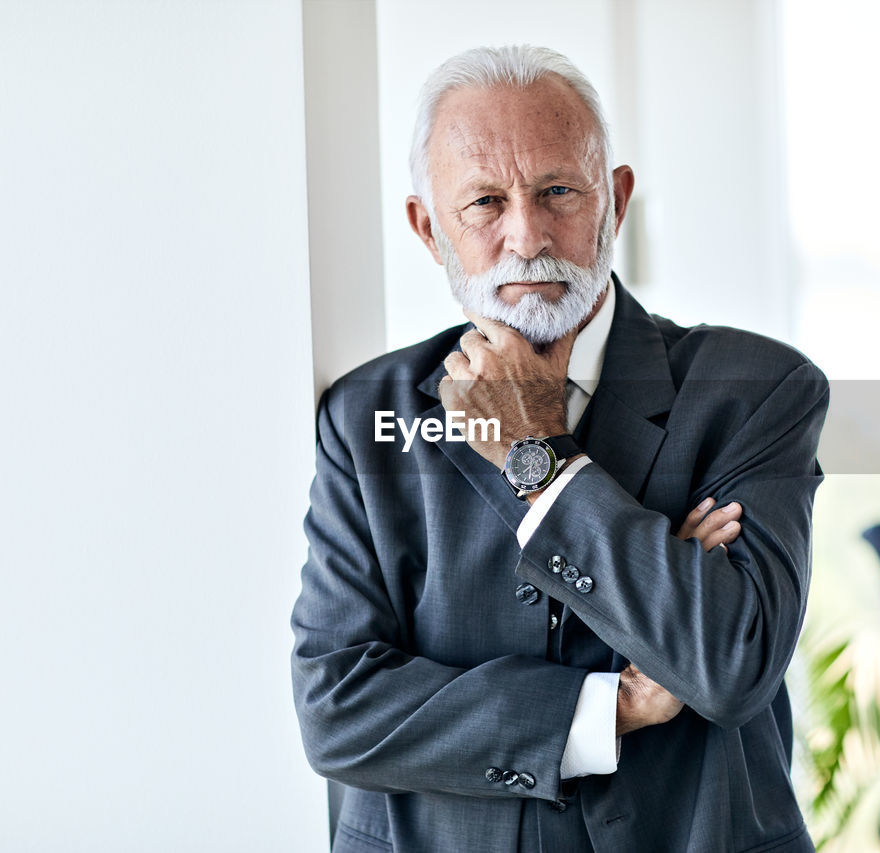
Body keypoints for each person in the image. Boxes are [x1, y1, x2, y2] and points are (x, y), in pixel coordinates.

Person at [291, 44, 829, 852]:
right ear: (428, 227)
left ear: (613, 200)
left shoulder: (753, 389)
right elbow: (337, 710)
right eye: (483, 202)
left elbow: (729, 659)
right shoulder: (367, 413)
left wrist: (538, 452)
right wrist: (608, 703)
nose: (527, 235)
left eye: (557, 191)